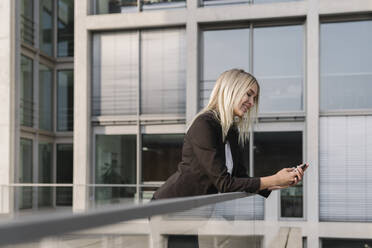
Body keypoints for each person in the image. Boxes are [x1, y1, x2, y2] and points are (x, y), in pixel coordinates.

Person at [152, 69, 308, 201]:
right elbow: (225, 184)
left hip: (194, 211)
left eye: (254, 98)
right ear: (231, 90)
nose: (252, 103)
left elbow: (240, 179)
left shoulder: (231, 130)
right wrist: (274, 179)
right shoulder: (204, 125)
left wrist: (281, 182)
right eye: (248, 94)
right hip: (170, 207)